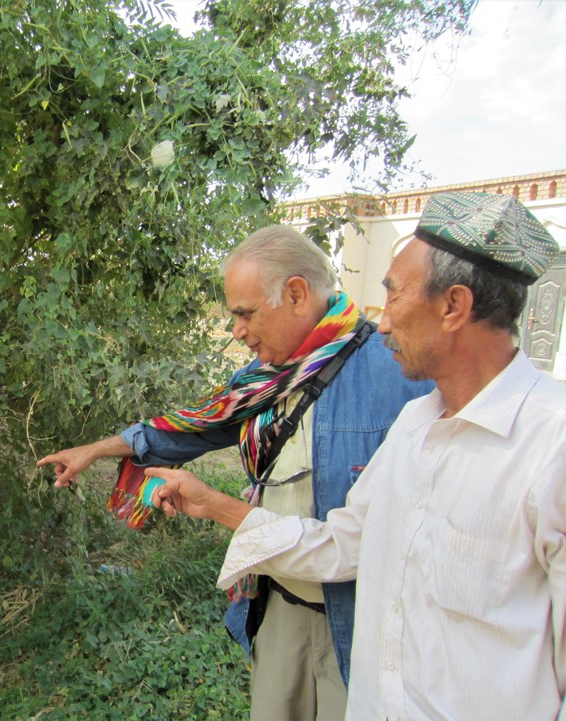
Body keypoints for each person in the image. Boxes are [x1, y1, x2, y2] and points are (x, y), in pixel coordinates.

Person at [148, 191, 566, 721]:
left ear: (454, 307)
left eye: (394, 297)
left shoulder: (552, 448)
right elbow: (344, 545)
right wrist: (214, 505)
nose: (383, 323)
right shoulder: (415, 427)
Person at [37, 225, 432, 721]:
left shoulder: (401, 377)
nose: (237, 331)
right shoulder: (260, 384)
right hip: (277, 603)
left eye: (244, 314)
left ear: (295, 294)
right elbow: (191, 428)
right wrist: (94, 450)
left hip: (359, 623)